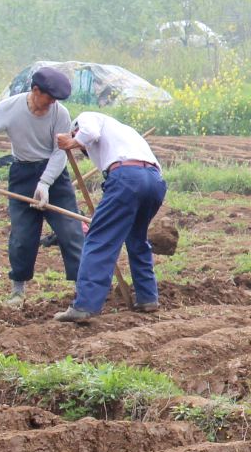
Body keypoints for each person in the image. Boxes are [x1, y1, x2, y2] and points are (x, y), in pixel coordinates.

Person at [0, 67, 82, 307]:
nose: (52, 103)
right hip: (22, 174)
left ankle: (83, 290)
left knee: (71, 232)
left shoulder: (59, 113)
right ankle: (18, 291)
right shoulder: (11, 108)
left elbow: (59, 153)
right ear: (35, 90)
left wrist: (45, 183)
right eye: (49, 97)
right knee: (23, 236)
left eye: (56, 99)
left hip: (54, 176)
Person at [51, 111, 167, 323]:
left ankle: (84, 305)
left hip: (127, 178)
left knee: (99, 239)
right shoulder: (124, 131)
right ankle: (148, 297)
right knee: (137, 238)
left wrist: (72, 141)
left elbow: (89, 132)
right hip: (154, 181)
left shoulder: (88, 118)